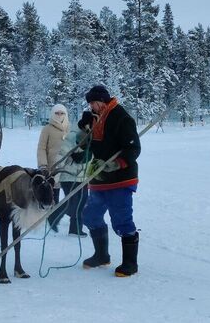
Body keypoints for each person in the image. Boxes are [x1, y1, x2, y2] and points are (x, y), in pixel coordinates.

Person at [78, 85, 141, 277]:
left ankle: (130, 263)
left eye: (95, 103)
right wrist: (84, 128)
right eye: (90, 104)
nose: (92, 107)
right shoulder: (94, 120)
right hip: (99, 178)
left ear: (104, 102)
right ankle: (101, 255)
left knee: (121, 220)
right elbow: (84, 146)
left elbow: (134, 148)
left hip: (121, 179)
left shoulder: (122, 118)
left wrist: (116, 163)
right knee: (90, 215)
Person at [37, 104, 69, 232]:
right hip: (52, 166)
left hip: (68, 167)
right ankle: (51, 216)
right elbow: (41, 148)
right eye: (57, 113)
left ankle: (66, 216)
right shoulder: (47, 129)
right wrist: (43, 164)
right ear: (52, 114)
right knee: (53, 193)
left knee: (69, 194)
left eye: (62, 113)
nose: (59, 115)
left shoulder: (70, 128)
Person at [53, 129, 89, 237]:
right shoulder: (71, 138)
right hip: (69, 176)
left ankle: (75, 229)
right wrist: (55, 174)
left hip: (82, 177)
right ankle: (54, 216)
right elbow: (60, 155)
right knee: (74, 202)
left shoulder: (93, 139)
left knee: (81, 202)